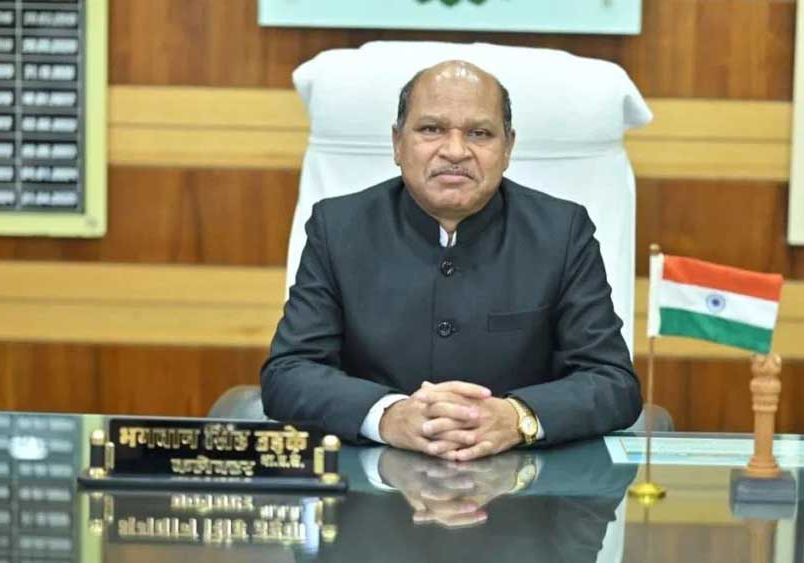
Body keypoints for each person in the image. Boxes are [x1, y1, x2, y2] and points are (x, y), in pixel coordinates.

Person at [261, 60, 641, 461]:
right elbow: (288, 374)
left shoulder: (562, 232)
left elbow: (612, 382)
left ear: (507, 148)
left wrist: (517, 417)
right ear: (397, 143)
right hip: (372, 478)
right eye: (431, 129)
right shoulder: (338, 228)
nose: (456, 151)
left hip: (523, 481)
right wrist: (388, 415)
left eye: (479, 133)